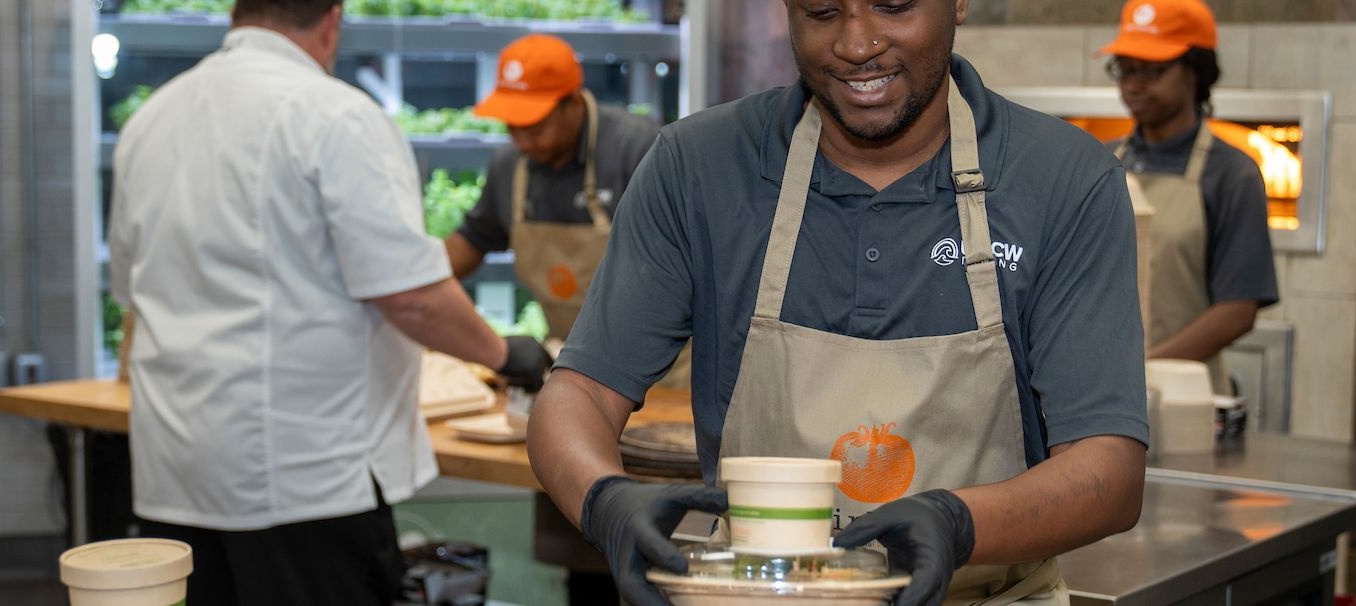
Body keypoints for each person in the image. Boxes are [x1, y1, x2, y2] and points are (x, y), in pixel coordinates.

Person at [526, 1, 1150, 604]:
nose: (856, 44)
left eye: (894, 6)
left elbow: (1108, 471)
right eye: (822, 12)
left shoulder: (1065, 180)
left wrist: (960, 523)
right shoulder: (697, 168)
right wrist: (603, 498)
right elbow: (579, 392)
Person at [107, 0, 549, 603]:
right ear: (332, 20)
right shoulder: (336, 116)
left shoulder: (151, 120)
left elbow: (133, 289)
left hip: (178, 472)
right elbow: (411, 295)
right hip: (303, 482)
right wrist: (505, 354)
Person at [446, 33, 676, 602]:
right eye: (512, 124)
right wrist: (411, 288)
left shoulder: (640, 150)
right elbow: (469, 244)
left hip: (671, 388)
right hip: (575, 386)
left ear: (575, 102)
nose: (523, 137)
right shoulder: (511, 167)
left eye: (536, 123)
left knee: (665, 557)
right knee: (587, 549)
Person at [1099, 0, 1279, 393]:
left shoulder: (1232, 175)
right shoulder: (1099, 164)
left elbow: (1238, 310)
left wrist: (1143, 369)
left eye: (1153, 70)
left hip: (1184, 394)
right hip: (1101, 392)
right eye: (1126, 69)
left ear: (1196, 73)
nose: (1134, 84)